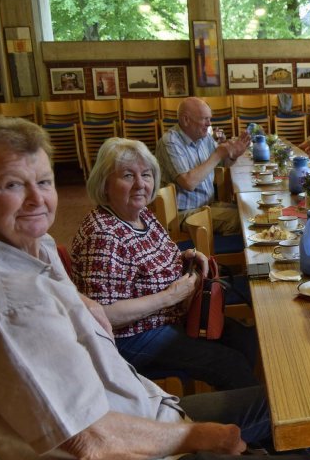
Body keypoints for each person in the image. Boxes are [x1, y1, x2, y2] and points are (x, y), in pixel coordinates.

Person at [0, 116, 310, 460]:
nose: (36, 199)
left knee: (279, 402)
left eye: (44, 182)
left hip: (147, 414)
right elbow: (91, 440)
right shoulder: (12, 302)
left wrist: (87, 299)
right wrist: (196, 436)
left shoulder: (36, 247)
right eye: (12, 185)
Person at [71, 137, 257, 389]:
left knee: (244, 338)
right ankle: (245, 410)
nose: (140, 184)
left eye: (146, 175)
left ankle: (249, 400)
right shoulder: (103, 236)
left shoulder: (141, 214)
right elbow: (104, 315)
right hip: (132, 337)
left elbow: (151, 259)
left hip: (170, 317)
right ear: (104, 185)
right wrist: (169, 297)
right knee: (229, 363)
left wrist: (186, 257)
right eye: (128, 176)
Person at [156, 97, 250, 235]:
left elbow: (222, 164)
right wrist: (217, 154)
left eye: (210, 119)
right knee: (245, 220)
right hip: (183, 214)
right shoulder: (170, 142)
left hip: (208, 206)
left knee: (249, 209)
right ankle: (222, 248)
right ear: (186, 120)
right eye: (205, 119)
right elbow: (188, 183)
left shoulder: (204, 138)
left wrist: (233, 155)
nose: (209, 123)